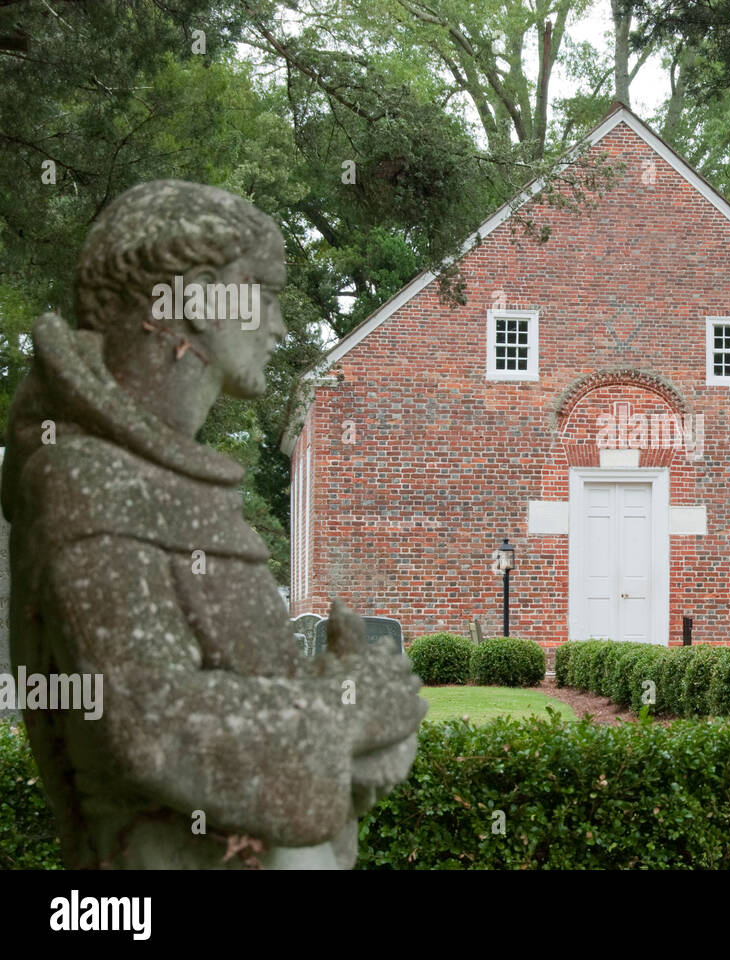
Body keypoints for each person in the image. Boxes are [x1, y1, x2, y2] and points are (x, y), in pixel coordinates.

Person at [2, 180, 424, 868]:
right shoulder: (87, 480)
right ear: (199, 297)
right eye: (267, 290)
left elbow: (264, 698)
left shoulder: (176, 482)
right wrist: (351, 716)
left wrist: (355, 700)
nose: (282, 326)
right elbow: (151, 725)